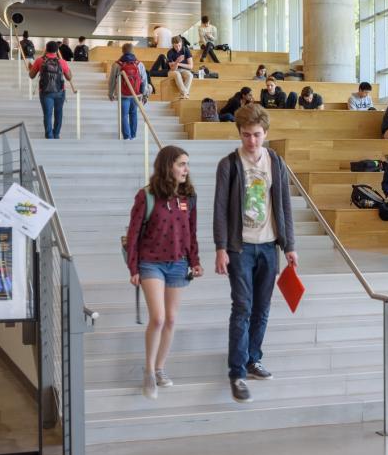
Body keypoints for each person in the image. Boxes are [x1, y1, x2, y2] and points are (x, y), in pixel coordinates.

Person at [214, 104, 298, 403]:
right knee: (243, 307)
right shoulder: (229, 165)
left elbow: (284, 205)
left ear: (266, 133)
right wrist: (221, 248)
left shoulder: (275, 162)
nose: (252, 141)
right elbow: (221, 210)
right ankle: (236, 372)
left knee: (262, 308)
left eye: (257, 135)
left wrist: (289, 246)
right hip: (240, 247)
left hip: (269, 245)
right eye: (247, 135)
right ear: (239, 133)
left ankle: (253, 359)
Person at [125, 145, 203, 399]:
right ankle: (148, 370)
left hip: (178, 263)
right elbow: (134, 234)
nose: (186, 169)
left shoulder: (188, 197)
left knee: (171, 319)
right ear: (168, 165)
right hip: (151, 263)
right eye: (181, 164)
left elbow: (191, 233)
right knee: (157, 318)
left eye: (187, 164)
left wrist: (195, 261)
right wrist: (133, 267)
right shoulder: (146, 196)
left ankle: (160, 368)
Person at [28, 41, 73, 139]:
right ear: (57, 50)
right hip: (60, 91)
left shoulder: (40, 60)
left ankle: (49, 136)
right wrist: (69, 70)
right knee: (59, 113)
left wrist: (30, 68)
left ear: (46, 49)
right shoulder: (62, 62)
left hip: (45, 92)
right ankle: (56, 134)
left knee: (47, 114)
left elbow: (31, 76)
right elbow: (69, 77)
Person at [108, 43, 150, 140]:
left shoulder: (117, 64)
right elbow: (144, 80)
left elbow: (112, 81)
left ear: (122, 51)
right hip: (136, 94)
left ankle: (127, 136)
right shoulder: (139, 64)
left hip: (123, 95)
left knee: (124, 115)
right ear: (132, 51)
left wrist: (110, 93)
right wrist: (144, 95)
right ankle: (133, 136)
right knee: (133, 114)